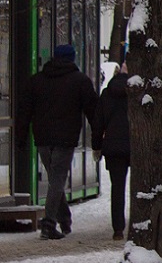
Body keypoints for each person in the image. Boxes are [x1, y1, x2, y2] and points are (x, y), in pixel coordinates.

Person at [15, 43, 98, 240]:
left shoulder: (36, 81)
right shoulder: (80, 81)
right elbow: (93, 111)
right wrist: (98, 136)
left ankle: (65, 219)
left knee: (55, 180)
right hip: (66, 139)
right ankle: (49, 224)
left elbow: (24, 111)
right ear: (72, 58)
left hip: (42, 138)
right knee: (57, 180)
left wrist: (21, 138)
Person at [91, 62, 131, 239]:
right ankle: (140, 224)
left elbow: (98, 123)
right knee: (140, 187)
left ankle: (118, 228)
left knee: (118, 188)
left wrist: (97, 146)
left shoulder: (107, 94)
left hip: (113, 146)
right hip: (136, 146)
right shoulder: (138, 92)